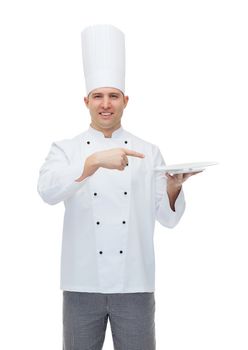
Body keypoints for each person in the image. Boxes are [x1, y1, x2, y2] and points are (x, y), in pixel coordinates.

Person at [37, 24, 200, 350]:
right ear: (86, 101)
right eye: (98, 96)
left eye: (113, 96)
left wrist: (172, 188)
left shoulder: (149, 151)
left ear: (125, 100)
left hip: (135, 283)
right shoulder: (66, 149)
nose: (106, 104)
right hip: (81, 283)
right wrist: (93, 162)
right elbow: (46, 191)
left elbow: (167, 220)